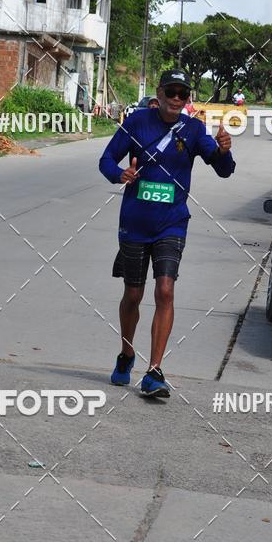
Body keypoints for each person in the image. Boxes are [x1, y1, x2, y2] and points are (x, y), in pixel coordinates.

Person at [99, 69, 236, 398]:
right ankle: (126, 353)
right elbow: (105, 160)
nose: (177, 98)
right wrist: (120, 175)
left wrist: (224, 149)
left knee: (165, 290)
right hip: (134, 223)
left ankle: (154, 371)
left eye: (183, 94)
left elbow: (223, 169)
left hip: (172, 223)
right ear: (159, 93)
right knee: (133, 294)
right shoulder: (136, 122)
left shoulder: (193, 129)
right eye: (171, 92)